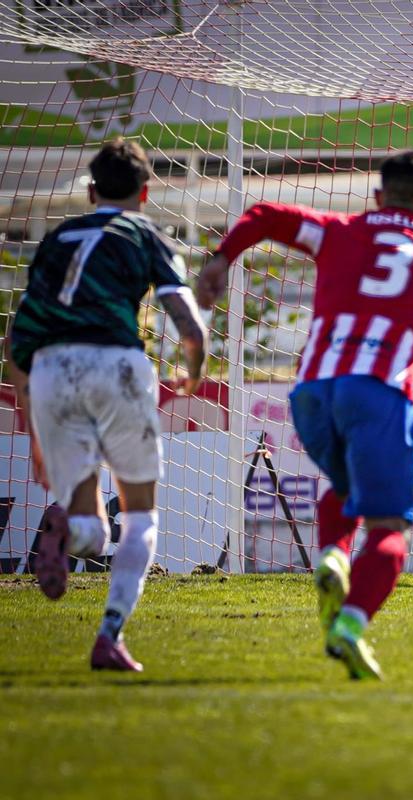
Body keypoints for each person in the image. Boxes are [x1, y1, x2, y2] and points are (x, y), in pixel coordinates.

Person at [196, 150, 413, 679]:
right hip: (378, 393)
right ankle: (351, 622)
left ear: (377, 196)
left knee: (345, 489)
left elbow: (264, 215)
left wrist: (221, 258)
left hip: (311, 392)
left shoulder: (338, 230)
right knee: (390, 526)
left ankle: (333, 558)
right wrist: (405, 331)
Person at [5, 137, 208, 672]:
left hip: (51, 370)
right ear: (145, 192)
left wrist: (31, 419)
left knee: (91, 530)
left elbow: (18, 335)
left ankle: (67, 532)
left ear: (91, 191)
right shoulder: (144, 233)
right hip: (116, 366)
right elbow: (187, 321)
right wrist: (193, 369)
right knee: (140, 517)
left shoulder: (57, 238)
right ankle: (110, 634)